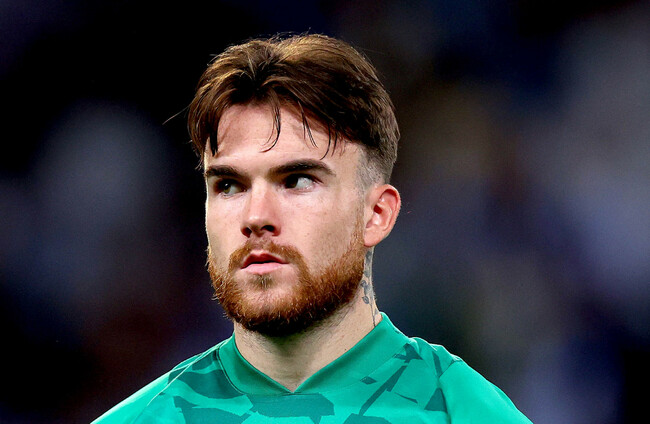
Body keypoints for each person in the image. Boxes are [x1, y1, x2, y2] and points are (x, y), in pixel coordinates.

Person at [93, 34, 532, 423]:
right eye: (229, 185)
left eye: (297, 180)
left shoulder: (462, 411)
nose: (256, 216)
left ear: (376, 214)